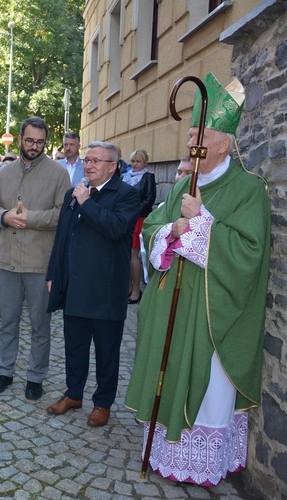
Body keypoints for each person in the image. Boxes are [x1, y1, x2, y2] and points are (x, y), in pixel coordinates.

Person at [125, 73, 269, 486]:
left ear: (223, 143)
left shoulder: (248, 189)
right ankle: (164, 454)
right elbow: (154, 226)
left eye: (198, 137)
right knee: (166, 377)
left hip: (212, 315)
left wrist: (201, 223)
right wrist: (171, 230)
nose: (190, 145)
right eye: (188, 136)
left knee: (206, 391)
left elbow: (250, 252)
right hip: (171, 303)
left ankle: (200, 465)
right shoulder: (184, 185)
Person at [45, 141, 139, 427]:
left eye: (97, 161)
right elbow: (62, 236)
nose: (89, 165)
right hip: (75, 285)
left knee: (106, 350)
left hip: (106, 288)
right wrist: (54, 273)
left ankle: (102, 403)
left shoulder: (126, 194)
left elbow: (115, 228)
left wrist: (87, 202)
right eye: (87, 160)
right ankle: (73, 394)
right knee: (74, 346)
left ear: (113, 165)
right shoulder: (73, 193)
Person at [0, 116, 71, 401]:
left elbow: (63, 215)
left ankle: (36, 377)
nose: (35, 146)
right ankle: (4, 371)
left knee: (40, 326)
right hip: (7, 260)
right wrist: (5, 217)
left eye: (41, 142)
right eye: (30, 140)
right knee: (7, 321)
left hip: (39, 262)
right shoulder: (5, 171)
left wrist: (30, 218)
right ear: (20, 139)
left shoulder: (59, 173)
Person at [122, 149, 156, 304]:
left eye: (138, 161)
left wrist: (132, 212)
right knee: (125, 255)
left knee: (133, 256)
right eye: (133, 161)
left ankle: (136, 290)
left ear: (145, 163)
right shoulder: (125, 177)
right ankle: (127, 288)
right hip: (124, 219)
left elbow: (149, 200)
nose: (134, 164)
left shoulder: (148, 177)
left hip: (138, 219)